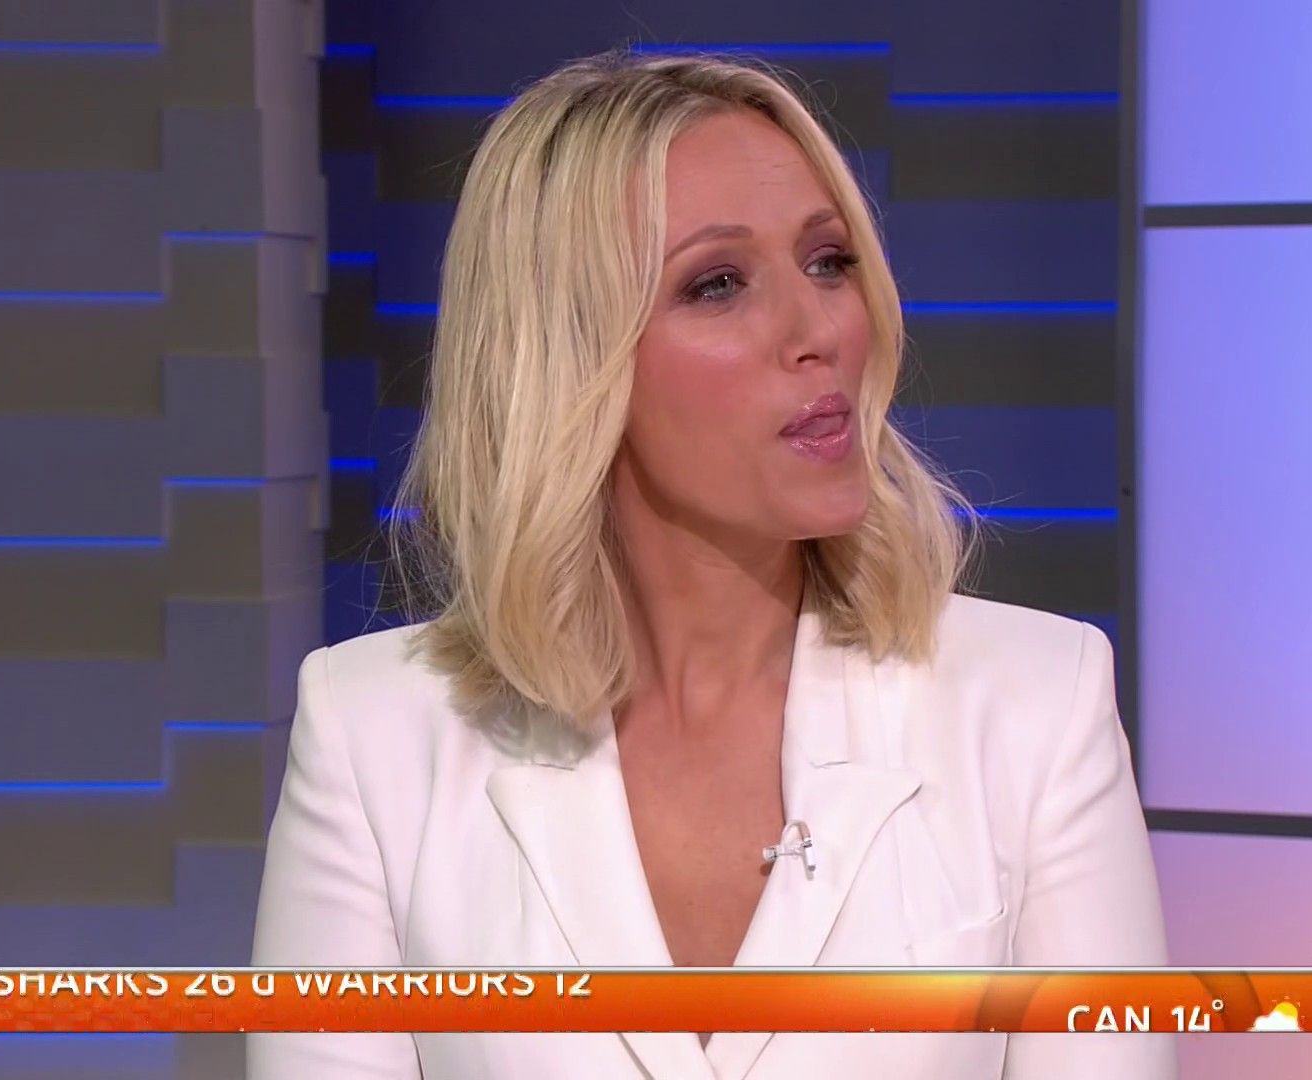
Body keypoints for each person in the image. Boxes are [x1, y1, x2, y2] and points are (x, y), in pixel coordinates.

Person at [248, 48, 1172, 1080]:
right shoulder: (373, 739)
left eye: (829, 261)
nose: (819, 330)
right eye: (719, 284)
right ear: (566, 356)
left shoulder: (1038, 706)